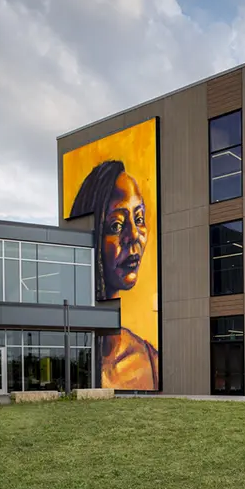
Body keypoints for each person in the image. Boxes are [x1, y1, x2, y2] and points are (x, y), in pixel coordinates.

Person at [70, 160, 158, 390]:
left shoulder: (150, 360)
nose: (134, 236)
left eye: (139, 219)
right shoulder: (73, 352)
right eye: (117, 226)